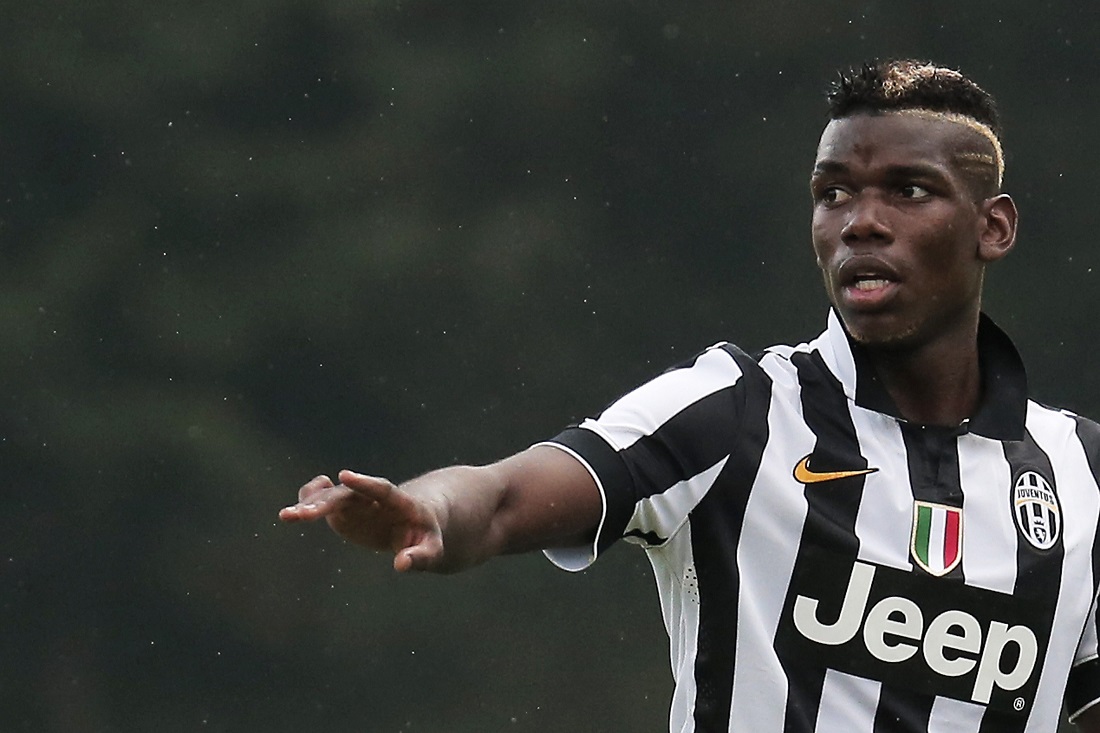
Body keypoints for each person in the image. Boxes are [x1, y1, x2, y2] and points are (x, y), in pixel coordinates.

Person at [279, 60, 1100, 733]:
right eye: (833, 193)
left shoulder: (1082, 473)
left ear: (993, 227)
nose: (860, 222)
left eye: (907, 191)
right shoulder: (733, 411)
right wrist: (432, 510)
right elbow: (506, 494)